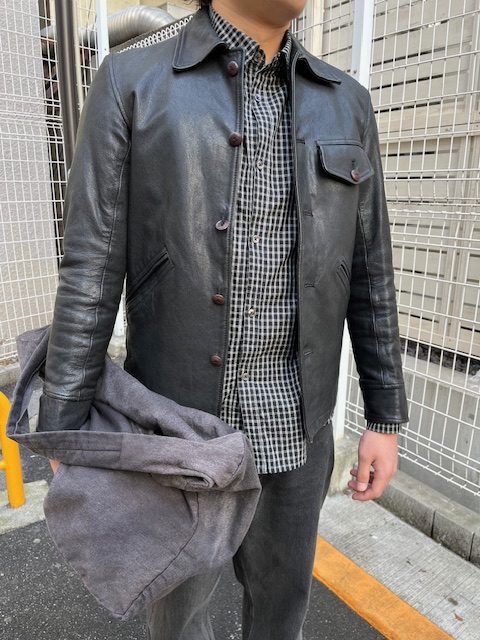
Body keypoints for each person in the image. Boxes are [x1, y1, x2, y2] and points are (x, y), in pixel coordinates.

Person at [42, 0, 410, 638]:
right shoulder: (133, 82)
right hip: (179, 429)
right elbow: (90, 268)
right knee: (178, 619)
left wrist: (383, 416)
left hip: (298, 425)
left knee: (282, 610)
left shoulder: (346, 102)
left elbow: (369, 268)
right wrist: (65, 426)